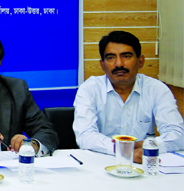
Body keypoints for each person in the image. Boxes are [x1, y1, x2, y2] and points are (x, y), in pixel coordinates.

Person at [73, 31, 184, 162]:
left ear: (140, 61)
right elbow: (85, 135)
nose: (119, 64)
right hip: (103, 161)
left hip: (143, 160)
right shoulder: (90, 89)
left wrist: (145, 146)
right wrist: (123, 149)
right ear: (102, 65)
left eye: (126, 56)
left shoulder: (157, 89)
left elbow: (177, 135)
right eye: (110, 58)